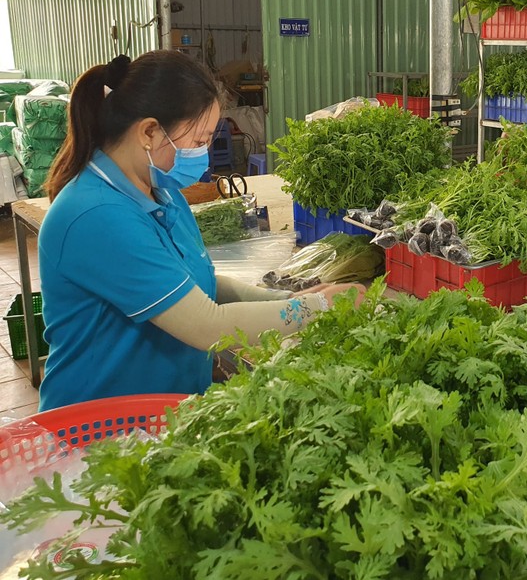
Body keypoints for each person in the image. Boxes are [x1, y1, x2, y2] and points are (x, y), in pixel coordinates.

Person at [37, 51, 363, 411]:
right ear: (148, 132)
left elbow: (200, 284)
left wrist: (287, 301)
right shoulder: (96, 214)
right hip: (100, 423)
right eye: (198, 141)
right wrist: (314, 308)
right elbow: (208, 325)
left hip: (165, 411)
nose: (204, 154)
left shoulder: (161, 191)